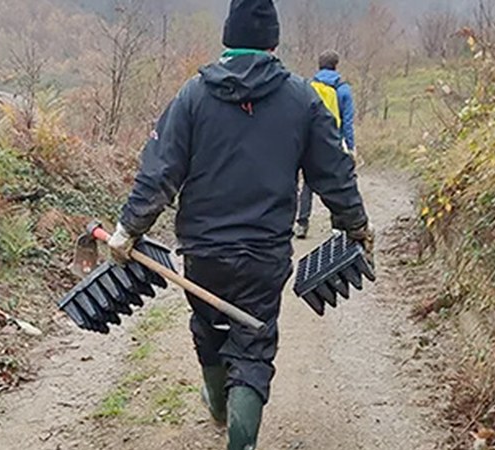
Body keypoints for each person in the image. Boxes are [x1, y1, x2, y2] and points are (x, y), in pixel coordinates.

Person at [107, 1, 373, 448]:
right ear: (273, 42)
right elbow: (334, 174)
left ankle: (217, 404)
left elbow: (160, 172)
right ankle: (241, 438)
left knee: (208, 326)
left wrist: (129, 228)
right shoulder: (301, 99)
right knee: (254, 344)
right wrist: (356, 225)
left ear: (228, 38)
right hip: (264, 255)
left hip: (203, 252)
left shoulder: (193, 96)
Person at [294, 50, 357, 240]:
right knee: (336, 181)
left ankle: (302, 223)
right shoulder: (343, 90)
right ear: (336, 65)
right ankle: (336, 227)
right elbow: (347, 121)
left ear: (319, 65)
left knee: (308, 183)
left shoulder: (307, 87)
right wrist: (350, 146)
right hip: (333, 140)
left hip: (308, 140)